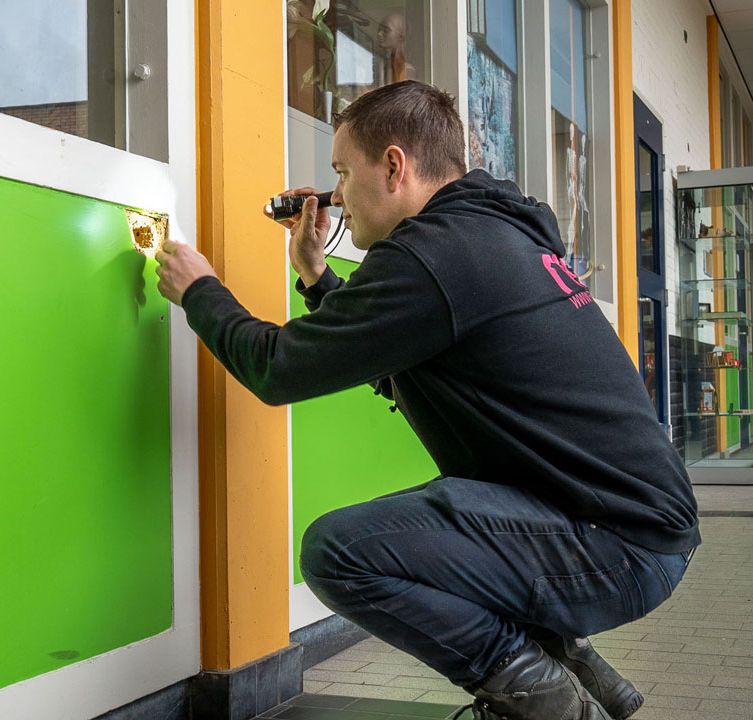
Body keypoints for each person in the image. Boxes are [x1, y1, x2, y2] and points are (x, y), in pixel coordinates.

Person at [152, 81, 699, 720]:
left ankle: (548, 705)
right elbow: (403, 347)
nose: (336, 198)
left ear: (393, 166)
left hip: (617, 547)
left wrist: (200, 291)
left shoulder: (433, 257)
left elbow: (279, 369)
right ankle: (576, 668)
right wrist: (315, 275)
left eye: (341, 173)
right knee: (435, 529)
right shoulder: (486, 234)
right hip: (630, 527)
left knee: (341, 551)